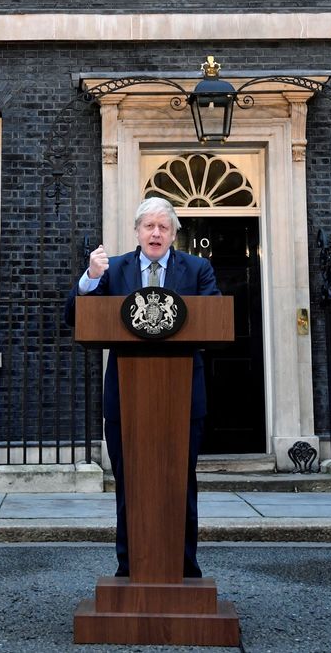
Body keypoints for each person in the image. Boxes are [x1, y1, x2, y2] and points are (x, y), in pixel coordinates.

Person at [65, 196, 220, 579]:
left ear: (173, 234)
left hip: (182, 401)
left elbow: (215, 319)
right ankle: (129, 567)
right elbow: (75, 315)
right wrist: (89, 278)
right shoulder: (114, 270)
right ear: (137, 231)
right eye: (149, 226)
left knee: (180, 485)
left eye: (163, 227)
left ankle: (184, 567)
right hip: (126, 400)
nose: (155, 233)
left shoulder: (198, 269)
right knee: (128, 484)